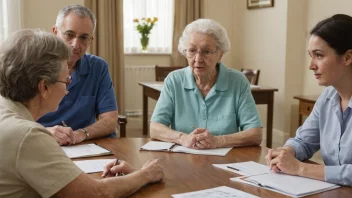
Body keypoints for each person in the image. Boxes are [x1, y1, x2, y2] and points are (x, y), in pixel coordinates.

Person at [0, 29, 163, 197]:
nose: (67, 91)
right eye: (66, 80)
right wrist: (146, 174)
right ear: (44, 87)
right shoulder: (28, 136)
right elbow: (96, 194)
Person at [265, 14, 352, 186]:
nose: (311, 65)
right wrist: (286, 152)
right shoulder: (327, 97)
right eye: (310, 56)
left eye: (319, 55)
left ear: (347, 57)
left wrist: (300, 168)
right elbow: (304, 141)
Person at [150, 19, 262, 149]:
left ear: (220, 54)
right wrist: (183, 138)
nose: (198, 59)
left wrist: (218, 141)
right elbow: (155, 127)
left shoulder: (237, 81)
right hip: (183, 160)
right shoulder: (174, 80)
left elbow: (255, 134)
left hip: (225, 161)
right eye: (191, 50)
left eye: (206, 51)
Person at [37, 5, 118, 146]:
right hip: (41, 143)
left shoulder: (98, 67)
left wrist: (81, 134)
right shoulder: (34, 65)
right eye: (69, 34)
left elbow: (110, 120)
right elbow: (13, 118)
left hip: (83, 146)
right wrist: (46, 132)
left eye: (83, 38)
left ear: (90, 40)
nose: (75, 44)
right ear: (55, 32)